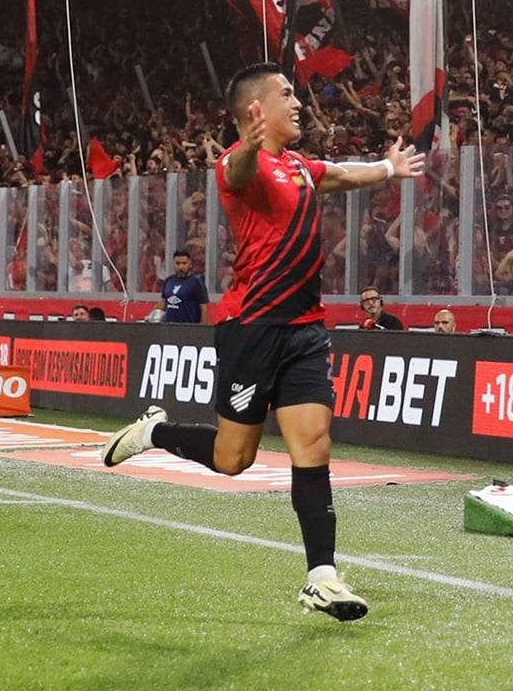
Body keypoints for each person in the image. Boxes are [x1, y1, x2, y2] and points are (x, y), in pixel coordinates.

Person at [102, 62, 425, 622]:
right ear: (257, 109)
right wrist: (248, 146)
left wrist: (385, 168)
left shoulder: (301, 165)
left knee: (314, 444)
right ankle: (154, 431)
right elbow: (236, 171)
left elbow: (342, 176)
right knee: (234, 459)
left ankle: (321, 576)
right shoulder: (239, 162)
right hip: (252, 327)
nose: (298, 102)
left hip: (304, 329)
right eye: (287, 94)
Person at [152, 248, 209, 324]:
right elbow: (162, 303)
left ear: (190, 264)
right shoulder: (169, 281)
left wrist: (203, 331)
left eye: (184, 263)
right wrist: (151, 317)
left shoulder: (196, 282)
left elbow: (204, 309)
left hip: (188, 328)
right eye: (178, 263)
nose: (181, 267)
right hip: (168, 328)